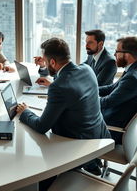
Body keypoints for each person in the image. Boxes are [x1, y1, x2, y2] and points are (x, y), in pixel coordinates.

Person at [17, 38, 110, 189]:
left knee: (40, 146)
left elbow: (41, 126)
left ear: (52, 62)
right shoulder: (87, 69)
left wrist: (25, 112)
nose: (46, 64)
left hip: (77, 146)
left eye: (47, 62)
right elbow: (69, 83)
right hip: (98, 135)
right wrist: (52, 80)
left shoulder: (59, 87)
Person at [35, 29, 117, 86]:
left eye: (90, 43)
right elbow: (74, 71)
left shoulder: (110, 62)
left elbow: (96, 88)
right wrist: (45, 65)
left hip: (97, 102)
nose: (86, 46)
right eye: (86, 42)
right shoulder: (92, 54)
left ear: (100, 44)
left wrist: (55, 85)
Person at [99, 36, 137, 144]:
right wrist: (88, 89)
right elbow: (111, 88)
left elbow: (108, 102)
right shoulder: (131, 71)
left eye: (117, 51)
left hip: (112, 130)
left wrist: (85, 98)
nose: (114, 54)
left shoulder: (132, 78)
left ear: (128, 54)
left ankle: (89, 160)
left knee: (70, 123)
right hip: (111, 121)